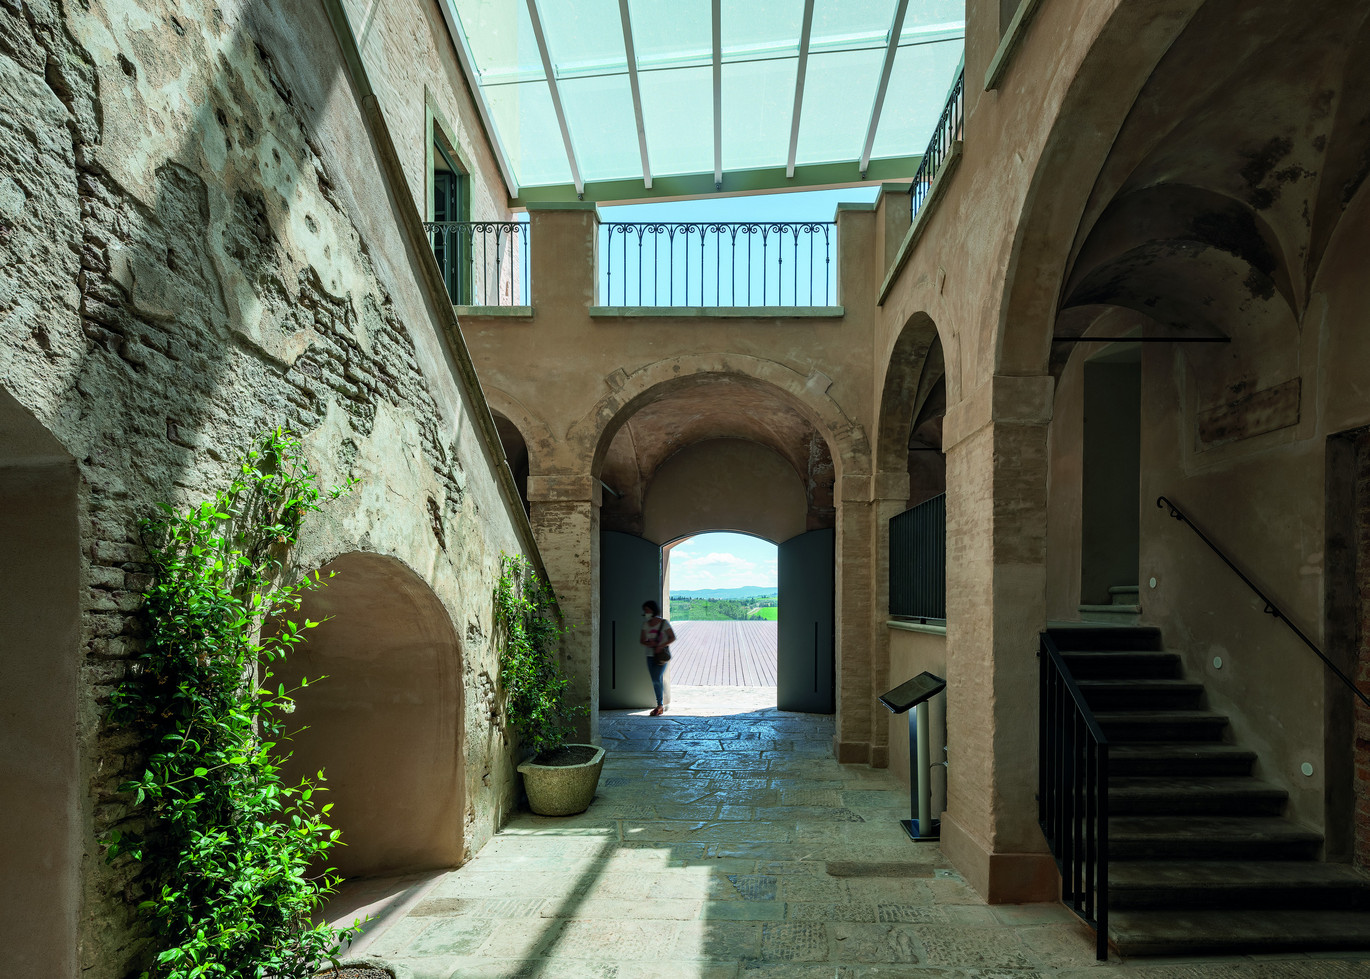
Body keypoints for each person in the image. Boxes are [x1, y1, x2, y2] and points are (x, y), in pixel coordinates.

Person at [639, 600, 674, 717]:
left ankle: (660, 705)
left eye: (647, 610)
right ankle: (661, 702)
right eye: (645, 610)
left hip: (661, 656)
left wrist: (661, 645)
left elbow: (672, 637)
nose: (646, 612)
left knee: (656, 678)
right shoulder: (646, 624)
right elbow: (642, 640)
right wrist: (650, 643)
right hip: (650, 655)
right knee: (656, 679)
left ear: (653, 610)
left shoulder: (664, 623)